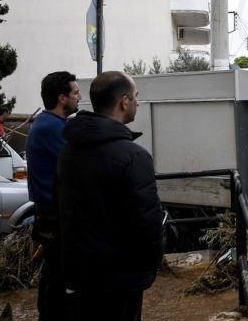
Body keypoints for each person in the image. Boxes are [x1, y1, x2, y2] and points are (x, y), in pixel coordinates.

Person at [57, 71, 163, 321]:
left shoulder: (67, 153)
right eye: (136, 96)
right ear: (124, 101)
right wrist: (150, 266)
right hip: (121, 279)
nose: (138, 101)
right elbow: (147, 224)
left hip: (79, 275)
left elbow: (61, 209)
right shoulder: (133, 156)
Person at [25, 71, 81, 321]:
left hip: (50, 212)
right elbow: (80, 164)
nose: (79, 97)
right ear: (62, 98)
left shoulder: (47, 123)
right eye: (75, 93)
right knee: (59, 275)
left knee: (54, 273)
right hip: (54, 214)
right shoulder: (53, 128)